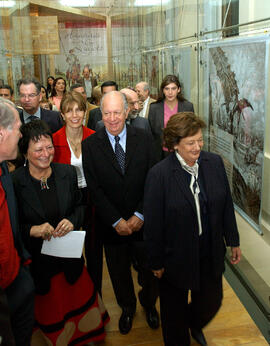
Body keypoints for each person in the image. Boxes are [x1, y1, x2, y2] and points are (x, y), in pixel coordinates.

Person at [144, 112, 241, 346]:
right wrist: (156, 262)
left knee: (212, 300)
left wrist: (233, 240)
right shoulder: (160, 175)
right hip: (175, 255)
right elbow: (154, 223)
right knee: (173, 311)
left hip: (209, 249)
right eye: (190, 142)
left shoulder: (214, 163)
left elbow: (225, 203)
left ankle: (194, 324)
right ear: (175, 145)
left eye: (200, 140)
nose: (197, 146)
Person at [12, 120, 109, 345]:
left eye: (49, 148)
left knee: (84, 323)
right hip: (40, 267)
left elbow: (81, 207)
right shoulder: (15, 183)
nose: (46, 154)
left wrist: (72, 221)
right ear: (25, 153)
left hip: (71, 262)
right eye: (38, 150)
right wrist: (32, 230)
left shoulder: (67, 172)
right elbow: (12, 227)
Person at [82, 91, 159, 335]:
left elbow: (154, 181)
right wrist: (116, 220)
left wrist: (141, 214)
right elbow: (94, 188)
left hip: (144, 224)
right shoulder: (90, 145)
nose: (112, 118)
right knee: (118, 272)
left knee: (149, 271)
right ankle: (127, 308)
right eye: (107, 113)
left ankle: (148, 303)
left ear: (127, 112)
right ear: (100, 114)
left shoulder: (146, 139)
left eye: (117, 112)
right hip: (112, 225)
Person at [52, 91, 98, 291]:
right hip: (67, 201)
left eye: (79, 109)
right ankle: (76, 295)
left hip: (93, 198)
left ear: (85, 112)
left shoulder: (95, 138)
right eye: (69, 111)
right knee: (70, 253)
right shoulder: (53, 140)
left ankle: (96, 295)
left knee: (94, 249)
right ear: (62, 114)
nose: (75, 115)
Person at [0, 97, 35, 345]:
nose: (22, 135)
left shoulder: (3, 169)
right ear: (2, 134)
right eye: (19, 128)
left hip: (17, 279)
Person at [148, 74, 194, 161]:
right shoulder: (154, 108)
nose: (170, 92)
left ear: (179, 90)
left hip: (182, 152)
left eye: (173, 88)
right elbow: (151, 133)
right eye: (167, 89)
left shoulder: (187, 107)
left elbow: (191, 132)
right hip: (160, 154)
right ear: (163, 90)